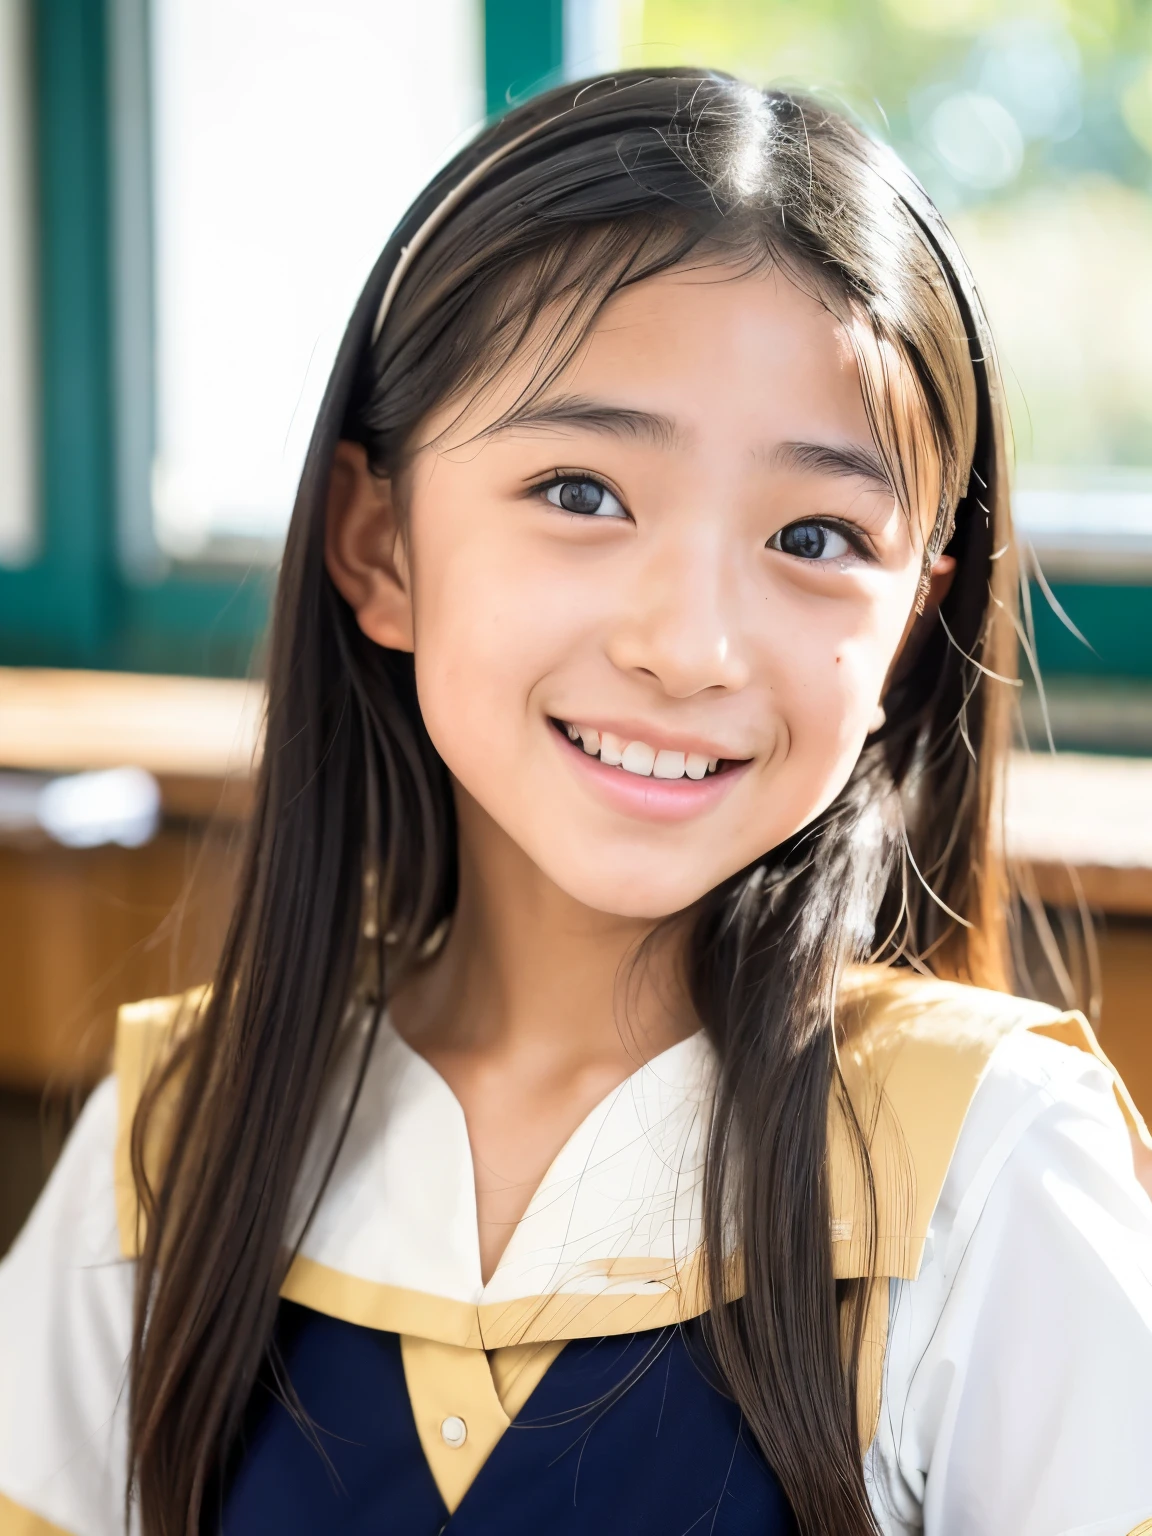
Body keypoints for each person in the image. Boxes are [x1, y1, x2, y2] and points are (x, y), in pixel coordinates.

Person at [2, 70, 1151, 1536]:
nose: (688, 644)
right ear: (381, 541)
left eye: (814, 535)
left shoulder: (989, 1169)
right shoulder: (173, 1144)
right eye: (581, 493)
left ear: (913, 625)